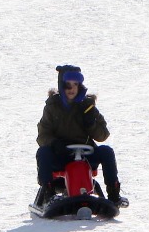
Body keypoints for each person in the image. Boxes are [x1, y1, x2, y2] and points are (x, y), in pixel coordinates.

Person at [33, 66, 126, 210]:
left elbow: (103, 135)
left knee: (106, 151)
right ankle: (48, 195)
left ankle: (114, 195)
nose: (72, 89)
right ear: (61, 85)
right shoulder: (52, 107)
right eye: (68, 85)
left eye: (75, 85)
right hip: (61, 154)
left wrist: (91, 123)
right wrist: (55, 143)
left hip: (86, 155)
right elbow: (43, 134)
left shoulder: (87, 106)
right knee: (43, 152)